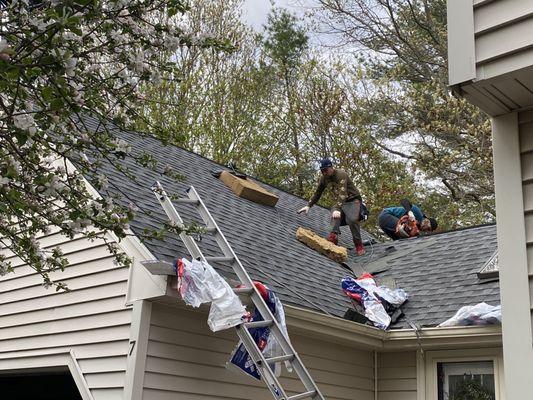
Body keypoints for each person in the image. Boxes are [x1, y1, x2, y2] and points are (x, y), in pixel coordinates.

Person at [298, 158, 366, 256]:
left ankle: (358, 244)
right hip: (339, 201)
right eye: (322, 171)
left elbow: (343, 193)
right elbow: (317, 193)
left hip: (353, 200)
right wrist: (308, 205)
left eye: (326, 170)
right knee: (334, 214)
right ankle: (333, 237)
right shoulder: (324, 179)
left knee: (351, 219)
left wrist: (338, 209)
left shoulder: (341, 174)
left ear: (331, 168)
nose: (324, 173)